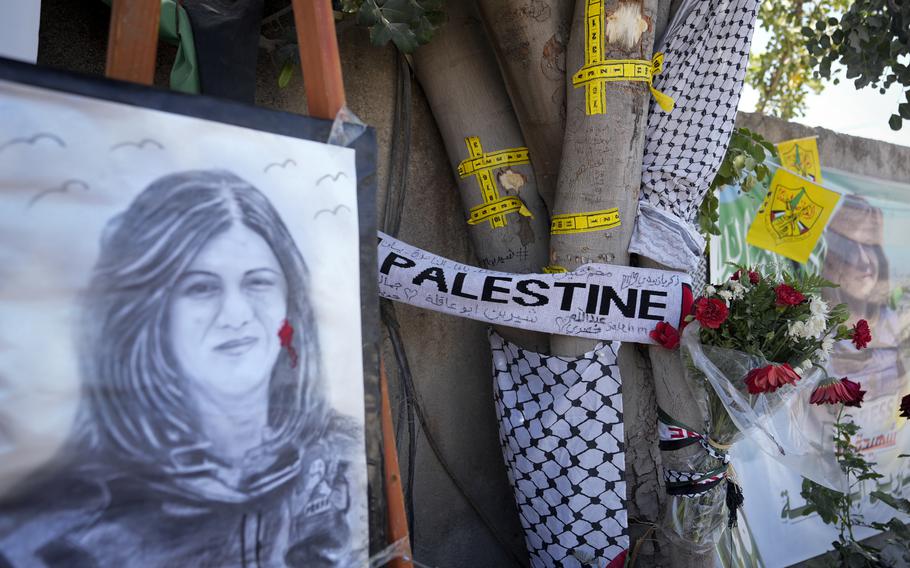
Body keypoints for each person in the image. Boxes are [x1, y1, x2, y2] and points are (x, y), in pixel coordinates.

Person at [0, 170, 363, 567]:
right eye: (201, 287)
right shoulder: (71, 528)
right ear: (149, 313)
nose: (236, 315)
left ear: (291, 298)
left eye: (257, 283)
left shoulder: (340, 454)